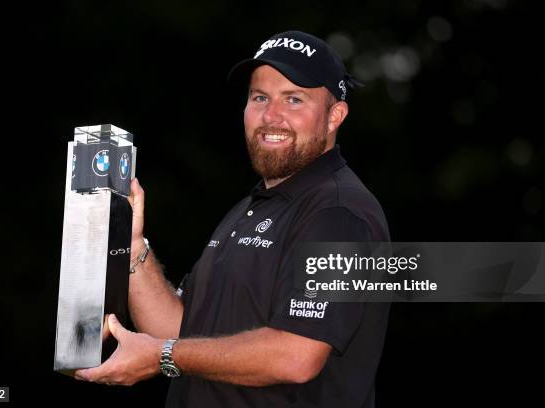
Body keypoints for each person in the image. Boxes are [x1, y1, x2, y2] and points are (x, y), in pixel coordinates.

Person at [75, 30, 390, 408]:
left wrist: (163, 355)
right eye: (260, 97)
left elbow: (296, 354)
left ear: (334, 116)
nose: (271, 116)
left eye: (294, 99)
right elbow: (181, 331)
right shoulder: (250, 207)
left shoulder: (339, 212)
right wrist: (132, 245)